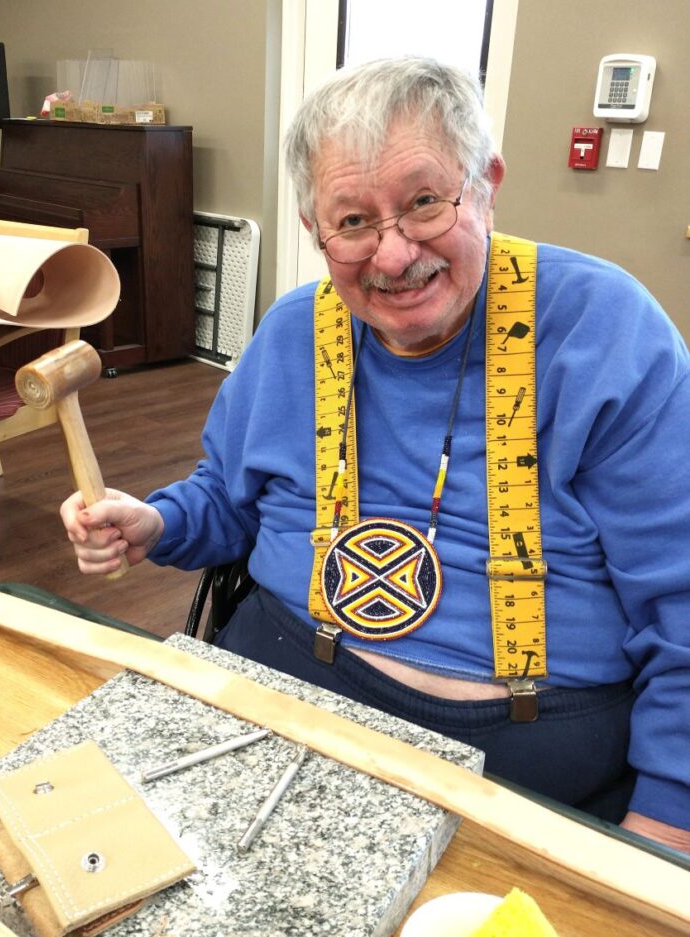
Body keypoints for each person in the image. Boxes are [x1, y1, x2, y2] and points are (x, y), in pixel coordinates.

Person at [61, 57, 690, 854]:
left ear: (485, 184)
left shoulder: (604, 332)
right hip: (272, 694)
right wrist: (155, 520)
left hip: (520, 763)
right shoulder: (295, 330)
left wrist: (663, 834)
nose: (392, 257)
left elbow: (684, 607)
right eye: (352, 221)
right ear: (314, 230)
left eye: (424, 203)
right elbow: (227, 498)